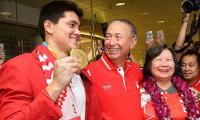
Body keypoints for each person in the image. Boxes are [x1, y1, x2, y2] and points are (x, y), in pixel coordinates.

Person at [0, 1, 86, 120]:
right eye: (72, 25)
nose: (78, 32)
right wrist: (55, 86)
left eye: (78, 27)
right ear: (49, 26)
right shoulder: (20, 66)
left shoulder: (78, 68)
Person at [81, 19, 143, 120]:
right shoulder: (89, 73)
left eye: (118, 37)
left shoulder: (136, 70)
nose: (111, 42)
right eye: (108, 37)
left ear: (132, 42)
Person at [140, 44, 200, 119]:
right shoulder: (139, 93)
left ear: (174, 64)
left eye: (168, 60)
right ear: (149, 65)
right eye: (159, 59)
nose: (164, 64)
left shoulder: (188, 93)